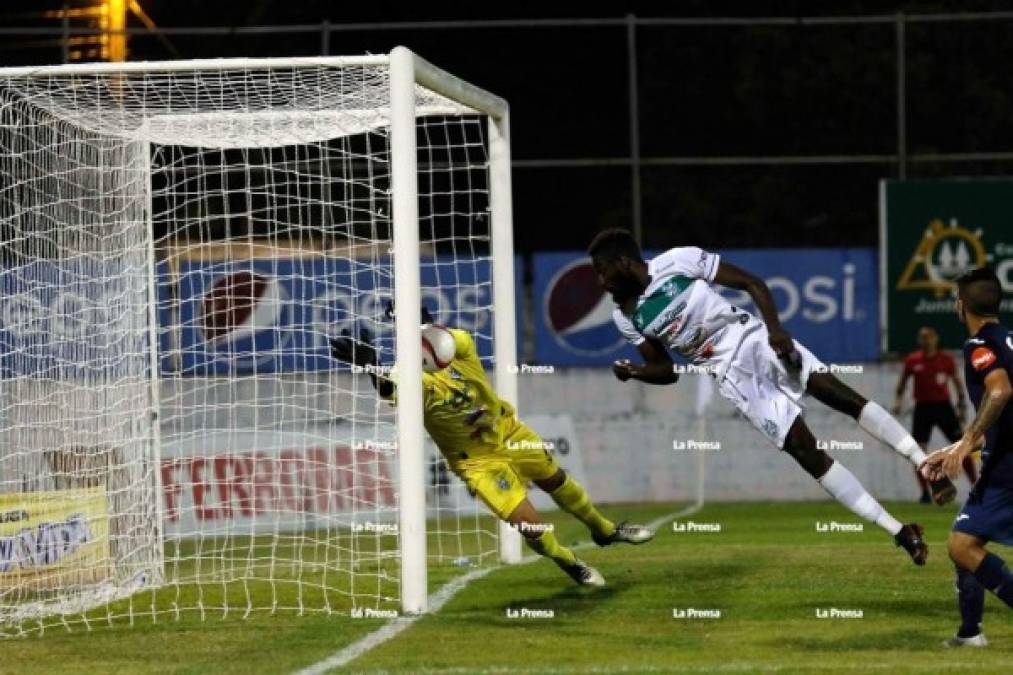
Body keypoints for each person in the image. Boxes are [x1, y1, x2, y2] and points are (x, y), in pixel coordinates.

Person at [588, 228, 944, 565]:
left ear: (622, 262)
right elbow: (665, 371)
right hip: (734, 379)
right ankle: (900, 532)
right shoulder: (625, 316)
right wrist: (634, 372)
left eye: (603, 272)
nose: (601, 283)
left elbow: (751, 283)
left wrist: (775, 330)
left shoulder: (678, 261)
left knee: (842, 398)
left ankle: (923, 462)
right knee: (809, 455)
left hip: (756, 341)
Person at [330, 309, 654, 587]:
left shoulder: (460, 345)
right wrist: (371, 365)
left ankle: (605, 530)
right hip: (477, 462)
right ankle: (570, 562)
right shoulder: (411, 376)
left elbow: (439, 335)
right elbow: (391, 389)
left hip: (506, 431)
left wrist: (421, 321)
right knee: (530, 525)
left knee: (555, 480)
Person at [921, 268, 1013, 648]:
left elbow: (1000, 392)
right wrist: (956, 448)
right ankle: (970, 631)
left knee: (962, 545)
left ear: (961, 305)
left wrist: (966, 442)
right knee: (966, 542)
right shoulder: (1008, 339)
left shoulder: (978, 345)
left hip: (1006, 470)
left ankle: (972, 632)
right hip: (1003, 457)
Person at [893, 326, 974, 503]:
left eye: (929, 337)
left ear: (936, 339)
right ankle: (925, 492)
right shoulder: (913, 360)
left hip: (943, 407)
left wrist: (961, 407)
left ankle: (976, 485)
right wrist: (898, 400)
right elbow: (902, 383)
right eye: (923, 337)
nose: (926, 340)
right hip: (922, 409)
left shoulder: (946, 360)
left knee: (962, 446)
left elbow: (958, 384)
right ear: (919, 341)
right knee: (918, 452)